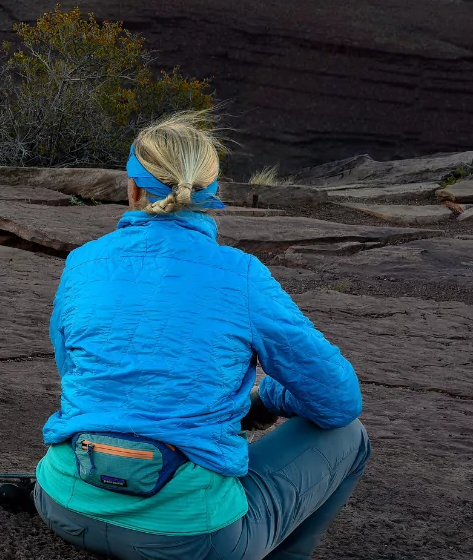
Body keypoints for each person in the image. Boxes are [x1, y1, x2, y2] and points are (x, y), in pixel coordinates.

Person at [35, 114, 369, 560]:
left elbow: (75, 373)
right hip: (192, 540)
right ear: (213, 193)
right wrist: (268, 398)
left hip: (63, 507)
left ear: (133, 189)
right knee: (349, 434)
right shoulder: (242, 275)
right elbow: (338, 400)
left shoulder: (83, 262)